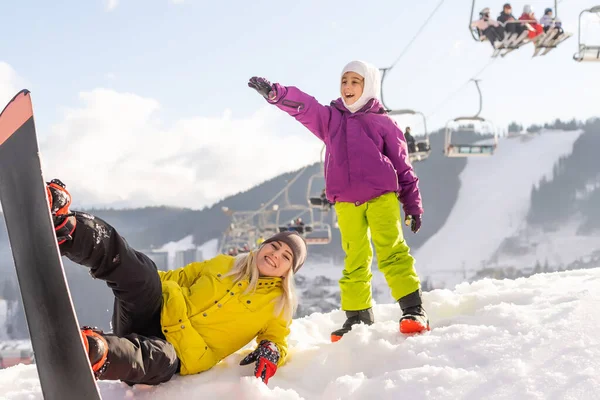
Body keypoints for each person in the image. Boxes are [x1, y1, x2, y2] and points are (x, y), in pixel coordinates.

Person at [46, 179, 307, 386]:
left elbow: (278, 339)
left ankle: (95, 351)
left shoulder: (276, 305)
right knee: (145, 270)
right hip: (159, 310)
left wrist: (271, 349)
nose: (275, 255)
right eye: (274, 246)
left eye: (285, 257)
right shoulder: (225, 264)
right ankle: (70, 229)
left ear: (288, 272)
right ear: (262, 246)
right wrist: (136, 277)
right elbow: (175, 278)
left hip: (180, 351)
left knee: (158, 361)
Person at [247, 59, 430, 343]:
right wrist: (277, 94)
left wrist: (413, 206)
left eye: (355, 81)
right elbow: (305, 107)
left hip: (382, 198)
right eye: (344, 81)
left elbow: (404, 168)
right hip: (346, 202)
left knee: (391, 251)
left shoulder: (383, 123)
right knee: (355, 257)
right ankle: (358, 316)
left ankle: (413, 310)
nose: (348, 87)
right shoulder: (332, 119)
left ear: (368, 85)